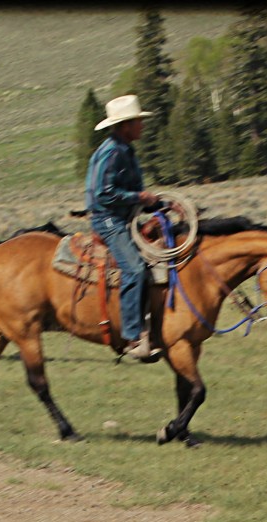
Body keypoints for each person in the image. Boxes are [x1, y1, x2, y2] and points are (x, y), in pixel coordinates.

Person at [84, 94, 162, 361]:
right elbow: (103, 194)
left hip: (125, 218)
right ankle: (132, 336)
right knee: (135, 269)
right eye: (138, 122)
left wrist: (158, 205)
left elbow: (131, 193)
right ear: (125, 125)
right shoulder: (111, 152)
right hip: (108, 220)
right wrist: (139, 198)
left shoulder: (126, 150)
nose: (142, 126)